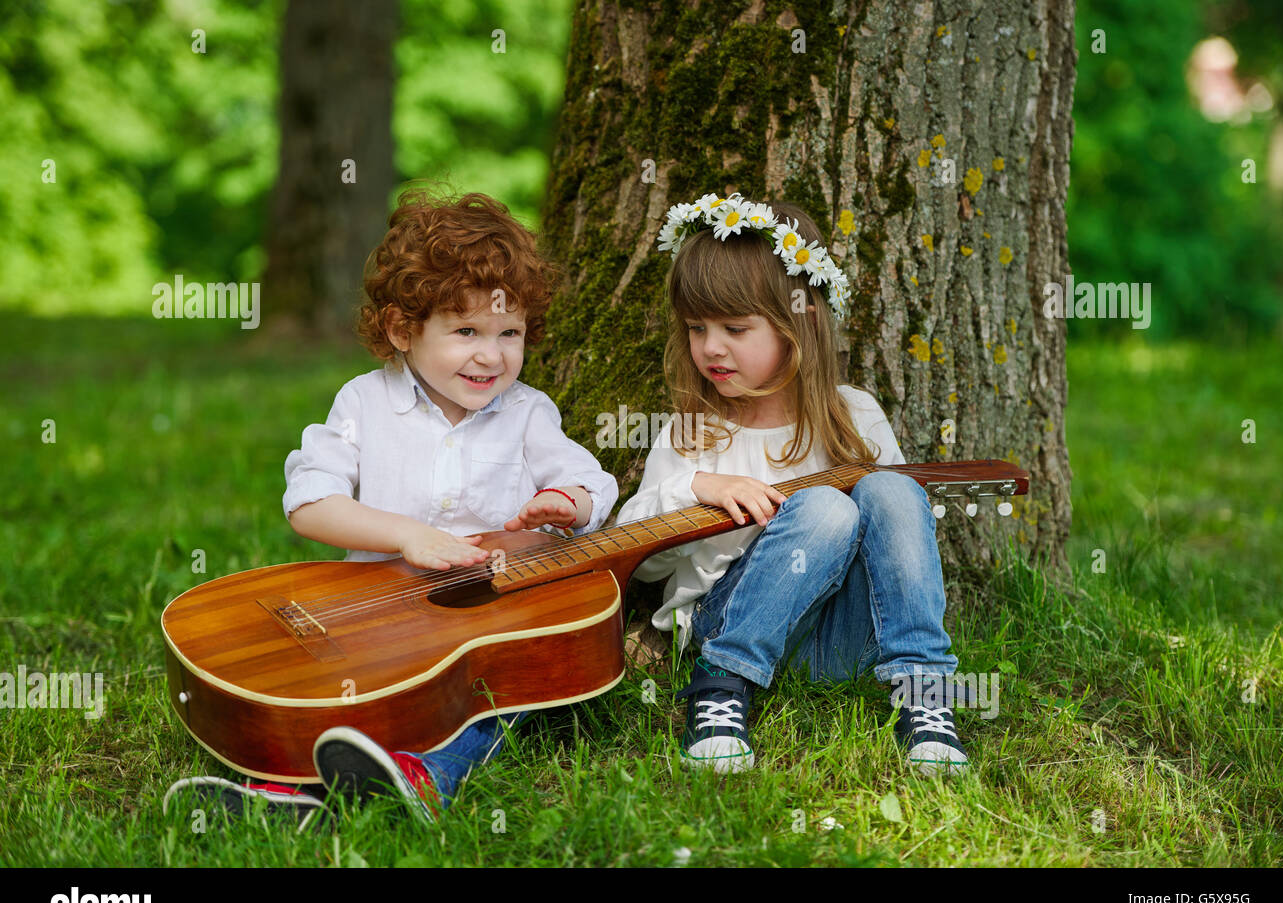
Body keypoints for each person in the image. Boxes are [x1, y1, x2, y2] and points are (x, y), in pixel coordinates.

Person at [164, 187, 618, 827]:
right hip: (371, 622)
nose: (491, 355)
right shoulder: (363, 404)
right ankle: (288, 793)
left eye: (508, 332)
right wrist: (406, 535)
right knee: (332, 702)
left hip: (486, 626)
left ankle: (423, 779)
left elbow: (592, 482)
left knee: (489, 699)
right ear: (404, 330)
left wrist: (566, 501)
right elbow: (310, 502)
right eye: (466, 331)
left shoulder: (527, 412)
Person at [616, 191, 968, 777]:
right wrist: (694, 488)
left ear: (796, 323)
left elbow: (902, 544)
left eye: (735, 327)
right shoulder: (691, 434)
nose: (710, 347)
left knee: (894, 491)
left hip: (841, 644)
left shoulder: (852, 415)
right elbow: (635, 561)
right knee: (825, 508)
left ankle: (925, 699)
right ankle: (719, 694)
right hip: (726, 630)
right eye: (697, 328)